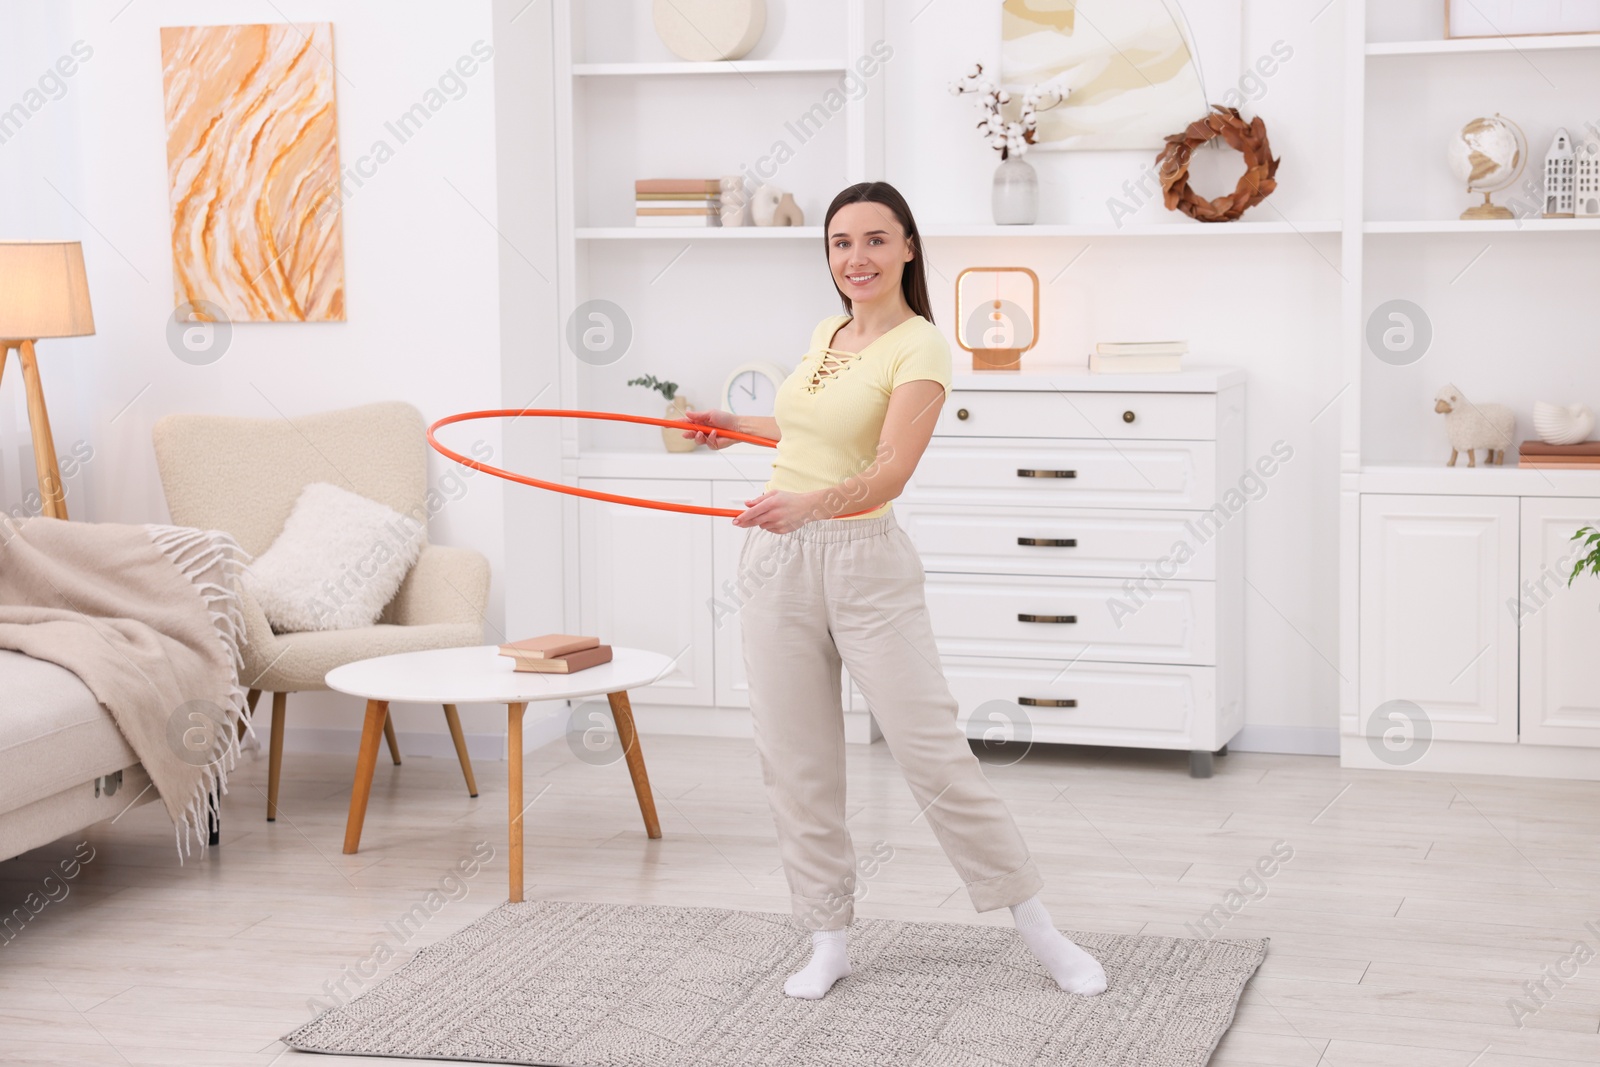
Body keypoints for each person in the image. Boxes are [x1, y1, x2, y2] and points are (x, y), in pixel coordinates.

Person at [680, 181, 1106, 1001]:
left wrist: (809, 503)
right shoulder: (824, 332)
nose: (856, 258)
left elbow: (890, 468)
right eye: (841, 243)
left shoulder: (921, 347)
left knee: (933, 753)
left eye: (875, 240)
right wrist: (727, 424)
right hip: (777, 563)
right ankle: (827, 935)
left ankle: (1041, 930)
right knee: (795, 758)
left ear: (908, 247)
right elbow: (805, 431)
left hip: (865, 562)